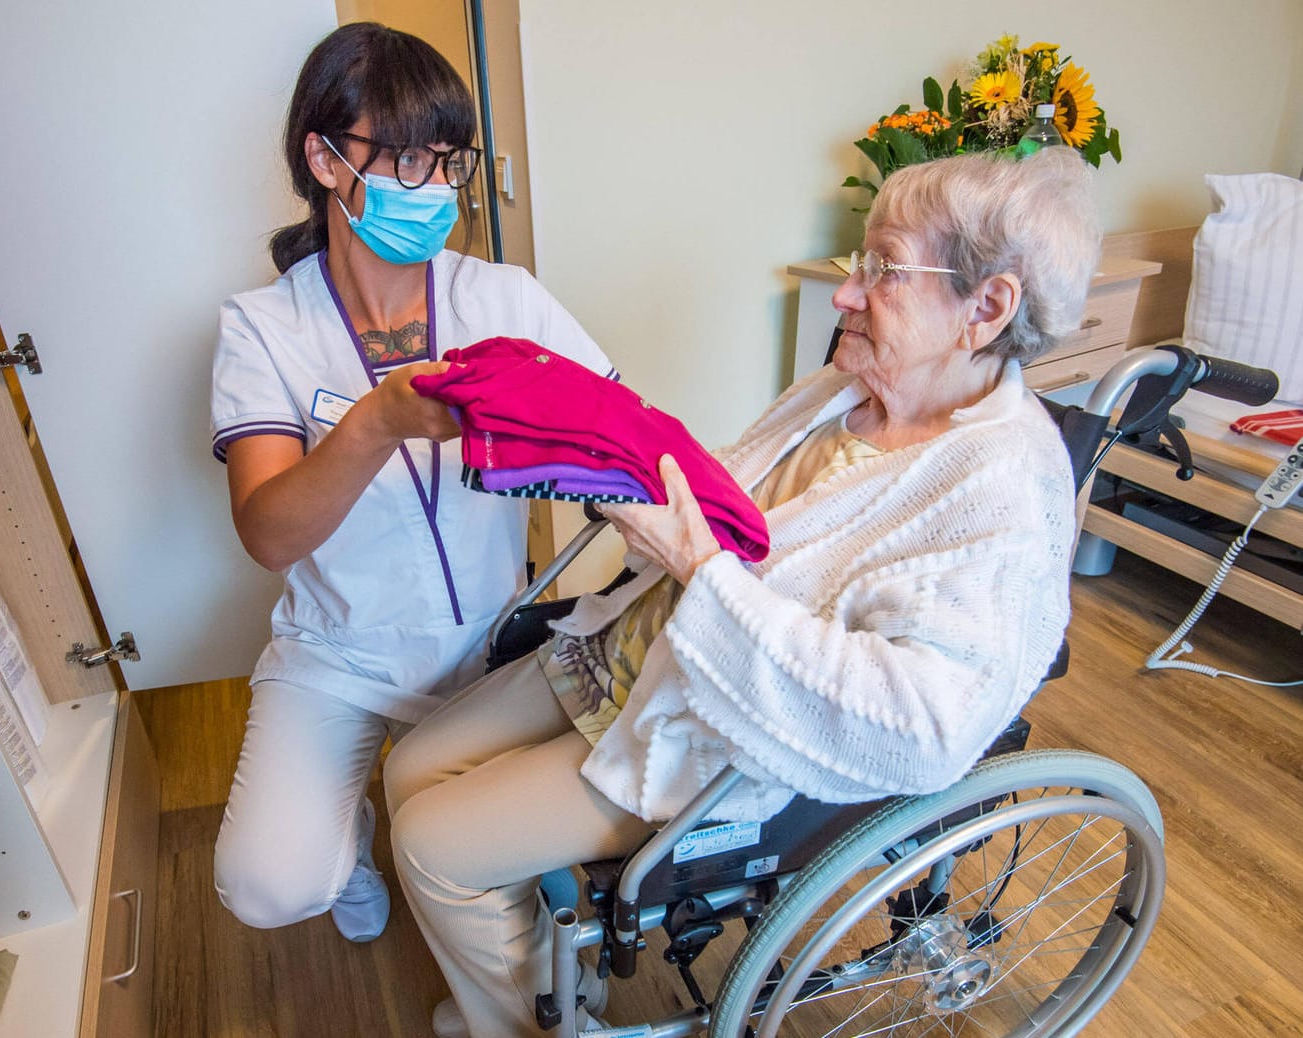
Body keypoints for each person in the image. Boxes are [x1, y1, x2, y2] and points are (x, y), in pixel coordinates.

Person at [383, 146, 1098, 1036]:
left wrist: (697, 569)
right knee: (407, 766)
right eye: (856, 263)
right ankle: (552, 988)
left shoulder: (1000, 495)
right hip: (635, 653)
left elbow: (921, 730)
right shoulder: (845, 388)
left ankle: (519, 1023)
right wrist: (607, 464)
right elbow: (729, 494)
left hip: (718, 738)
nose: (844, 293)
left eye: (882, 269)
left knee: (431, 845)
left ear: (985, 308)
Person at [208, 22, 616, 944]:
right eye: (402, 161)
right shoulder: (263, 329)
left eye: (446, 163)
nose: (432, 190)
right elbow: (269, 534)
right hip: (340, 657)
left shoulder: (502, 298)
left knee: (511, 853)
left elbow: (616, 431)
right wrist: (375, 424)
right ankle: (343, 843)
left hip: (489, 645)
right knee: (270, 889)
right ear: (323, 158)